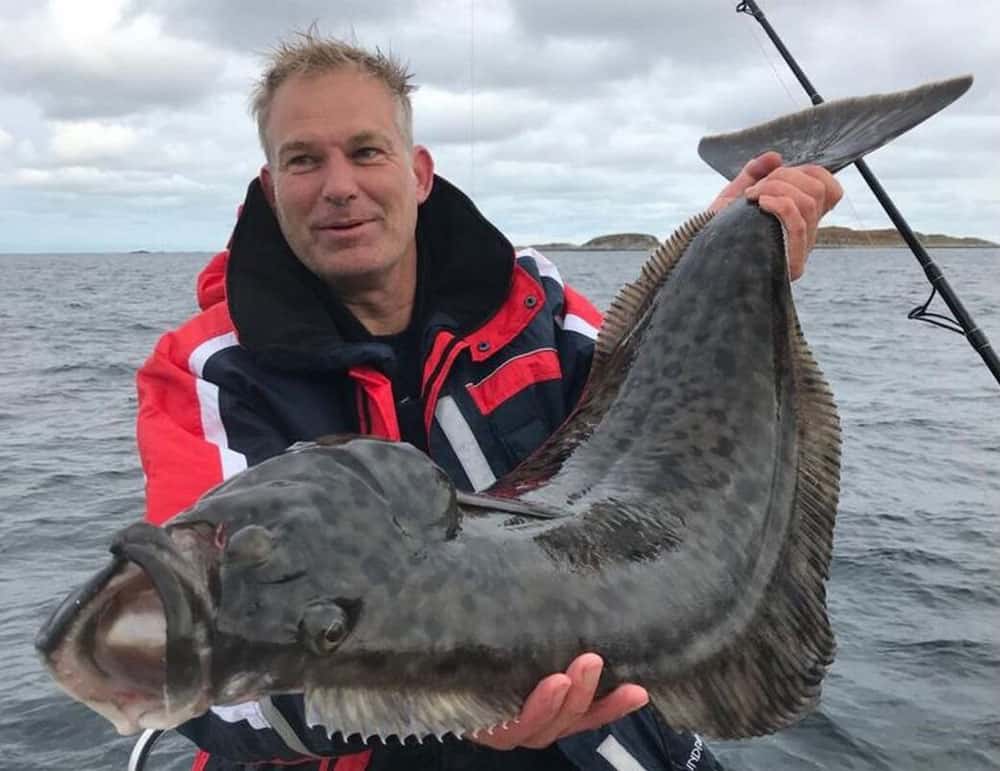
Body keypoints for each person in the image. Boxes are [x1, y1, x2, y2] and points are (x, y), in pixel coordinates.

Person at [136, 32, 842, 771]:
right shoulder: (210, 374)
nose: (338, 184)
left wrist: (731, 250)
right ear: (270, 183)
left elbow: (654, 438)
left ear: (418, 173)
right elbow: (197, 672)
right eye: (304, 159)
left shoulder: (536, 307)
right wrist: (460, 697)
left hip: (603, 728)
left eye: (366, 151)